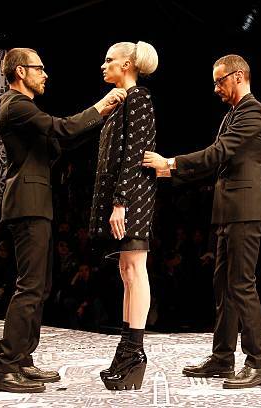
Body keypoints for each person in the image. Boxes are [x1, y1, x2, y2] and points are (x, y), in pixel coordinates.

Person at [0, 47, 126, 393]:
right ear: (21, 72)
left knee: (40, 286)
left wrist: (100, 120)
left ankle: (22, 360)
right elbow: (61, 129)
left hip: (35, 204)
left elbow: (61, 141)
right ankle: (5, 368)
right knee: (30, 287)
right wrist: (101, 105)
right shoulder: (16, 105)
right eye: (39, 68)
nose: (45, 74)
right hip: (28, 204)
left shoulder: (24, 109)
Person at [143, 54, 261, 389]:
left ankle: (258, 364)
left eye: (220, 80)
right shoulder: (234, 114)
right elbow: (217, 162)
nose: (215, 88)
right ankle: (222, 357)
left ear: (239, 76)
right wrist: (169, 171)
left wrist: (171, 163)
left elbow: (218, 154)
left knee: (242, 286)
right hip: (230, 212)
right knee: (224, 289)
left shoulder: (253, 112)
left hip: (246, 210)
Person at [89, 41, 158, 391]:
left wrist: (121, 202)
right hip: (125, 197)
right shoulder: (119, 103)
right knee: (127, 270)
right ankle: (127, 350)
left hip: (133, 198)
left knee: (135, 268)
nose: (103, 65)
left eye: (109, 59)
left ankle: (135, 352)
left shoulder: (139, 98)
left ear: (127, 64)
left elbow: (134, 154)